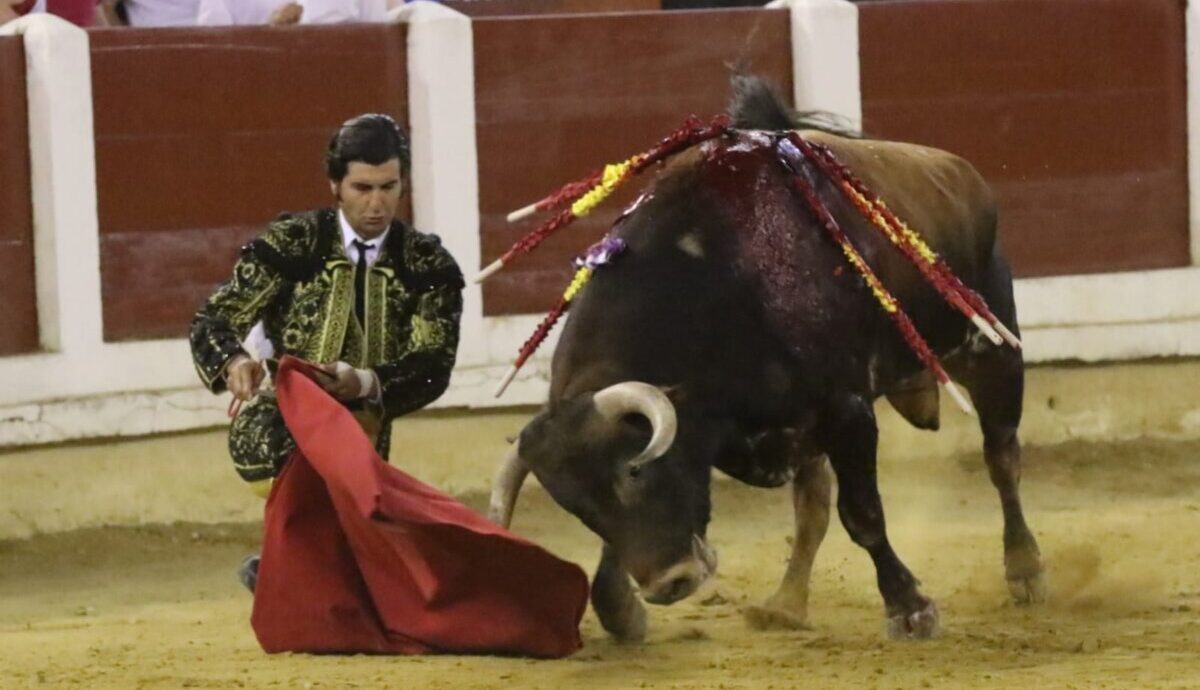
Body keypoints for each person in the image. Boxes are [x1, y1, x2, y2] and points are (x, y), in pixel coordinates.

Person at [189, 113, 464, 590]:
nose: (377, 204)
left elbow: (434, 364)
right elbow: (214, 319)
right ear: (335, 184)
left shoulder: (427, 264)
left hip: (361, 433)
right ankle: (299, 555)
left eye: (388, 187)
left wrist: (363, 382)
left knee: (357, 562)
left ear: (403, 183)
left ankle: (292, 560)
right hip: (276, 424)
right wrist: (233, 361)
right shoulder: (293, 243)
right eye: (362, 188)